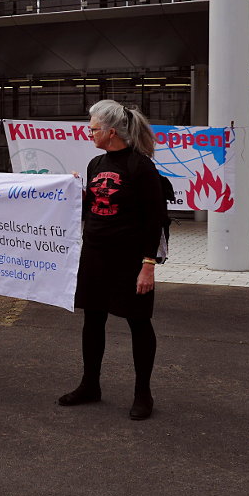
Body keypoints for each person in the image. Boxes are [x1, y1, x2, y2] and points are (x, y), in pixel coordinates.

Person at [59, 100, 165, 421]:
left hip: (129, 260)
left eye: (92, 128)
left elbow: (154, 219)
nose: (88, 132)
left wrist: (148, 265)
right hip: (95, 255)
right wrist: (76, 194)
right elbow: (92, 206)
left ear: (111, 131)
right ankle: (90, 385)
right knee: (93, 320)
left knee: (138, 323)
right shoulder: (95, 164)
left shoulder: (141, 166)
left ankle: (143, 393)